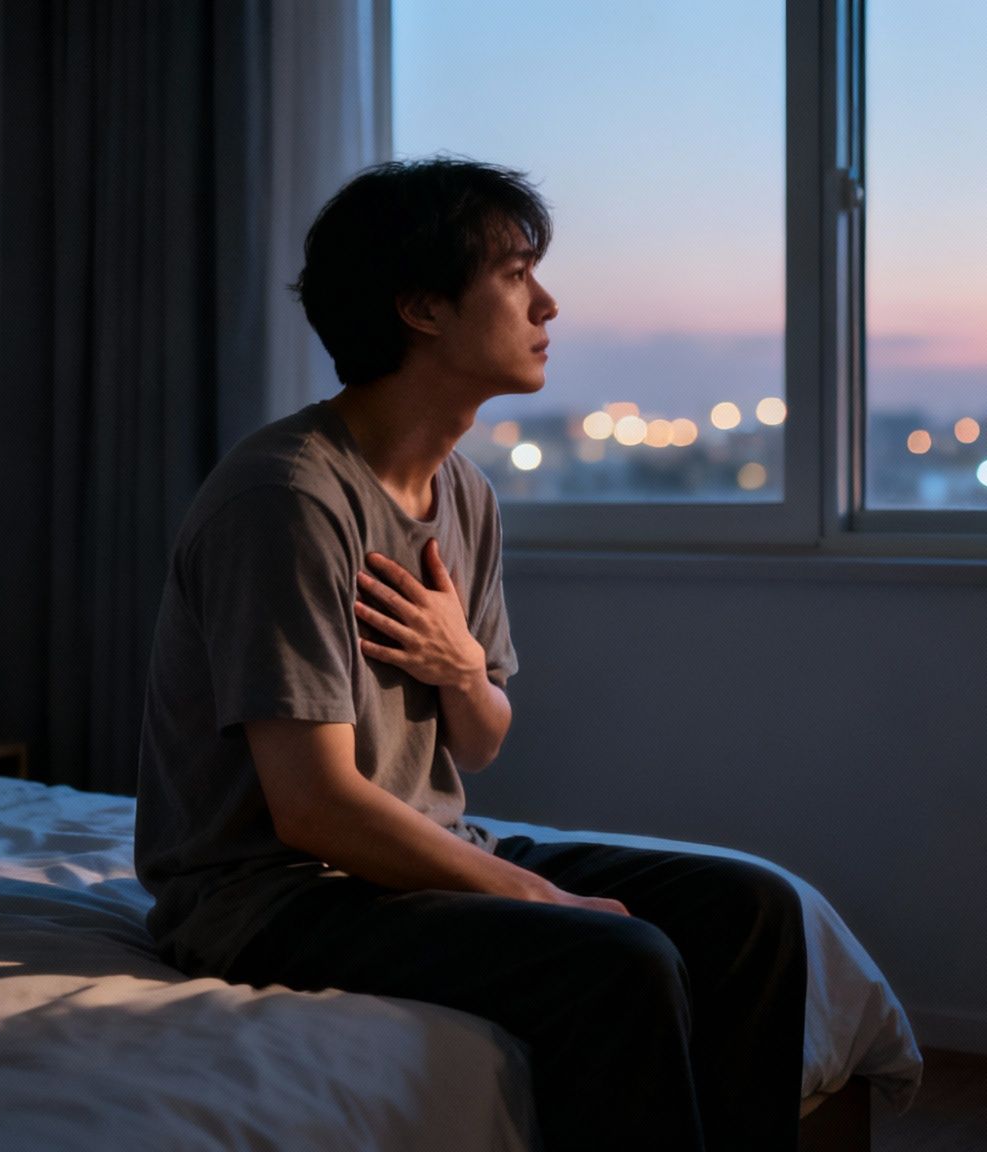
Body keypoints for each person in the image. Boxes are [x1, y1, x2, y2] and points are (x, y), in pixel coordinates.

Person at [133, 157, 807, 1151]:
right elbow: (312, 806)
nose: (548, 302)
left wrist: (459, 667)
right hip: (269, 895)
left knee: (751, 907)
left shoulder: (464, 494)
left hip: (409, 857)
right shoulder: (286, 499)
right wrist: (541, 899)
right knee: (615, 960)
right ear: (420, 308)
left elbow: (481, 742)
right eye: (514, 275)